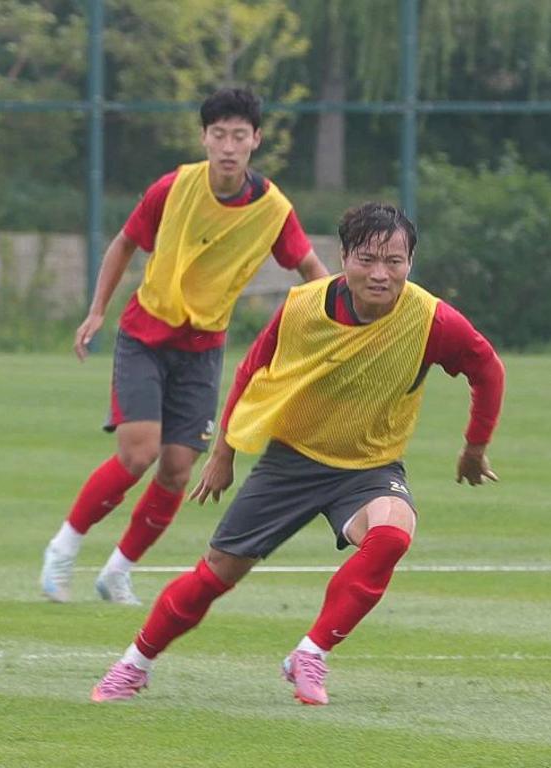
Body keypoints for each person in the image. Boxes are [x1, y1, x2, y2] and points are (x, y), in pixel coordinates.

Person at [89, 202, 505, 705]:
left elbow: (488, 368)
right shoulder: (303, 307)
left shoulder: (432, 319)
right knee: (215, 575)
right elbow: (251, 370)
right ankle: (134, 664)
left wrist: (475, 445)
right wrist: (224, 452)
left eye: (394, 261)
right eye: (367, 259)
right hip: (291, 463)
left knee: (393, 534)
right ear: (344, 258)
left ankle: (311, 653)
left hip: (369, 468)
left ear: (410, 263)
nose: (380, 273)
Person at [39, 86, 329, 605]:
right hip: (146, 335)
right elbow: (125, 242)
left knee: (176, 469)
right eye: (219, 135)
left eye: (239, 136)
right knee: (139, 453)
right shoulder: (173, 188)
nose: (228, 146)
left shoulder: (272, 209)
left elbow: (311, 269)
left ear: (256, 140)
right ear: (204, 138)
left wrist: (332, 325)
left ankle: (118, 572)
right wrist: (97, 310)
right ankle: (63, 549)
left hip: (203, 349)